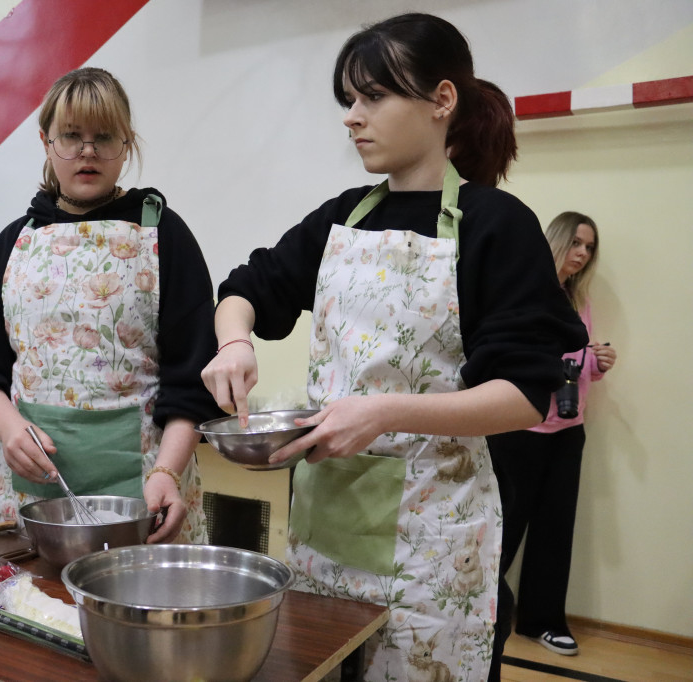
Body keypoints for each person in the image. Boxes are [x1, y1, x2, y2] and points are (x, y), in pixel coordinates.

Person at [199, 13, 588, 681]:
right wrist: (234, 341)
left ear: (442, 100)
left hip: (431, 545)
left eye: (373, 97)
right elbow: (245, 289)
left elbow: (523, 396)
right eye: (349, 99)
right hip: (324, 532)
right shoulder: (342, 218)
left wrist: (383, 413)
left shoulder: (496, 225)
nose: (352, 117)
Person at [0, 67, 220, 544]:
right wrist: (10, 429)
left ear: (126, 144)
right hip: (30, 496)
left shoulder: (164, 235)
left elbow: (194, 376)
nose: (87, 151)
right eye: (71, 136)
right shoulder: (14, 243)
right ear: (46, 142)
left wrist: (167, 473)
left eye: (104, 136)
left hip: (148, 493)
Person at [488, 212, 616, 658]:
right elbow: (512, 354)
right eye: (576, 243)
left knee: (555, 525)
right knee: (503, 526)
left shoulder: (578, 300)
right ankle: (480, 611)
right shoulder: (523, 289)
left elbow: (576, 368)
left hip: (568, 428)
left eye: (590, 248)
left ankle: (541, 621)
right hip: (519, 426)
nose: (582, 254)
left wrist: (596, 363)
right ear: (556, 241)